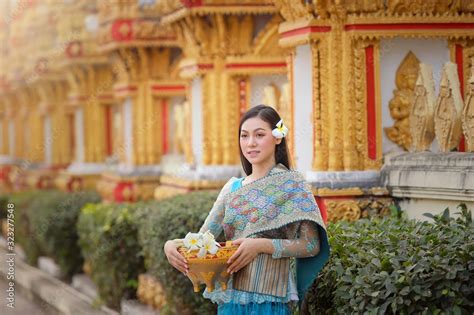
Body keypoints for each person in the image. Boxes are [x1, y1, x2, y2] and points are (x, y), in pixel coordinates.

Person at [164, 104, 330, 314]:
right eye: (244, 136)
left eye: (259, 135)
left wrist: (260, 245)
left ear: (277, 137)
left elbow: (310, 245)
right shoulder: (232, 188)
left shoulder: (293, 185)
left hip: (271, 297)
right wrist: (172, 246)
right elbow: (203, 239)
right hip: (232, 297)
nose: (250, 143)